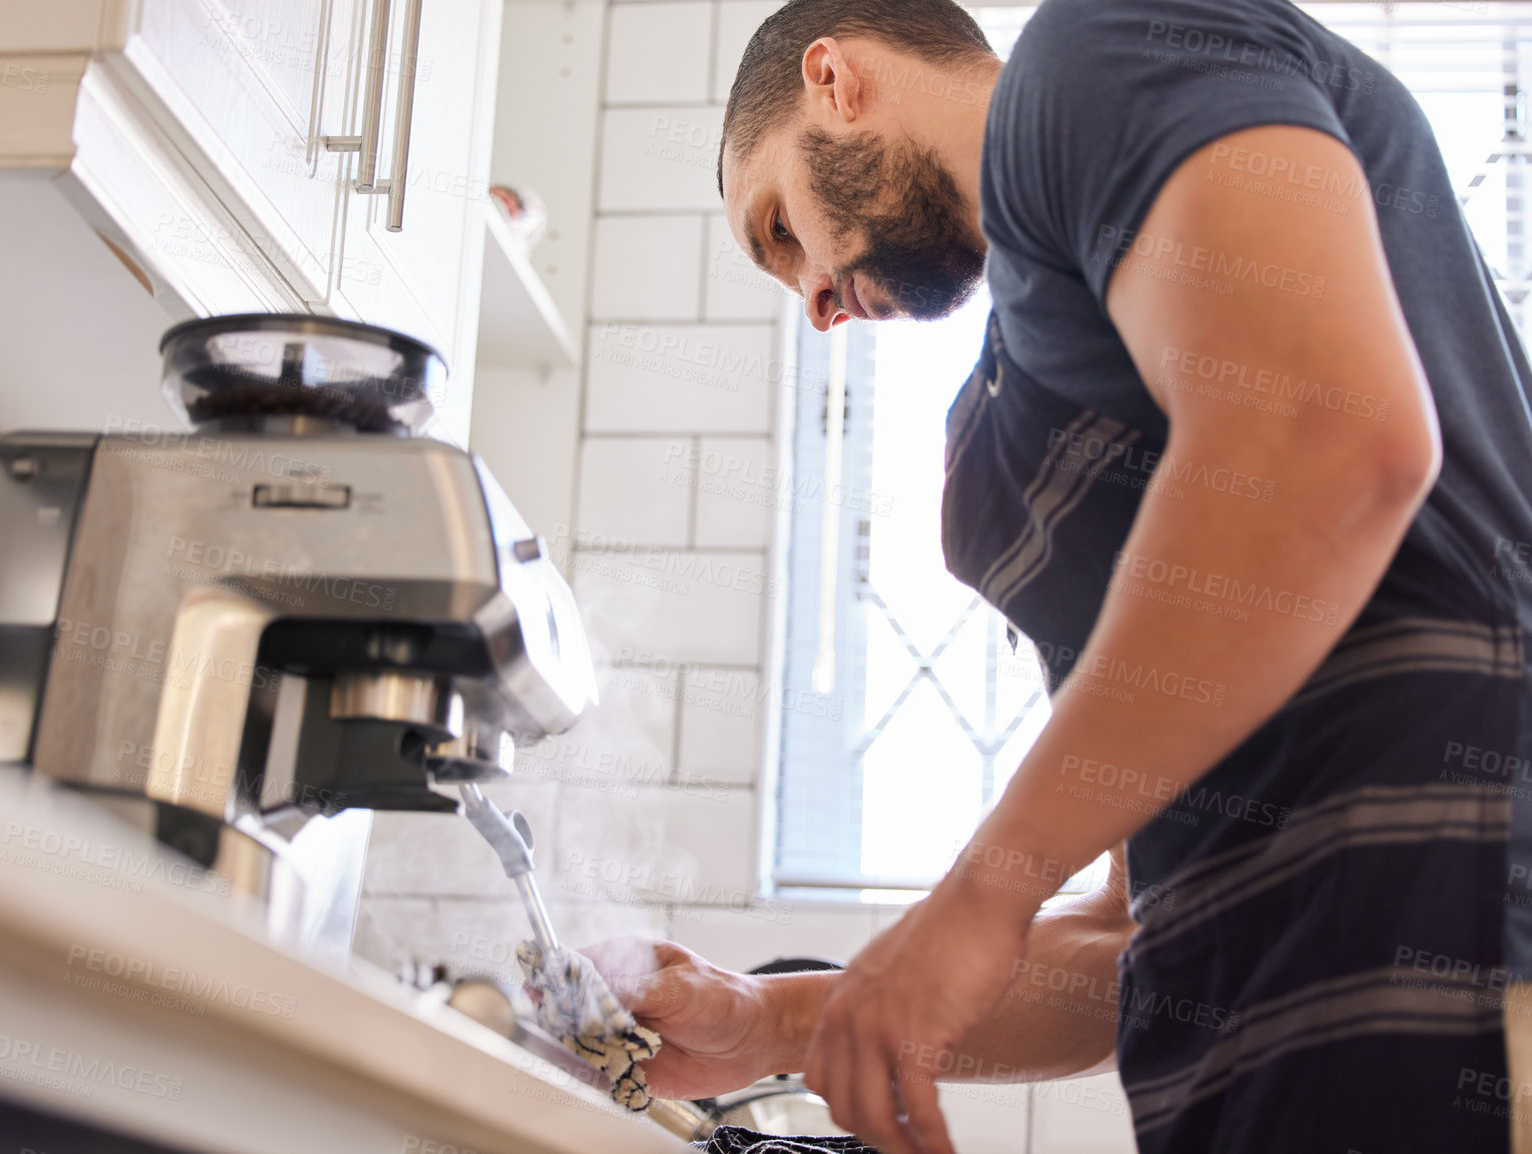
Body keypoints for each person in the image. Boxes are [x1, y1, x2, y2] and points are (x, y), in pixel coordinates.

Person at [584, 1, 1532, 1152]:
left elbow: (1325, 445)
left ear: (834, 78)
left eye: (781, 229)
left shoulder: (1097, 49)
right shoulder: (1016, 424)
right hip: (1264, 1060)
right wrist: (769, 1015)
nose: (817, 304)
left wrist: (985, 892)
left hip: (1468, 965)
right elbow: (1124, 939)